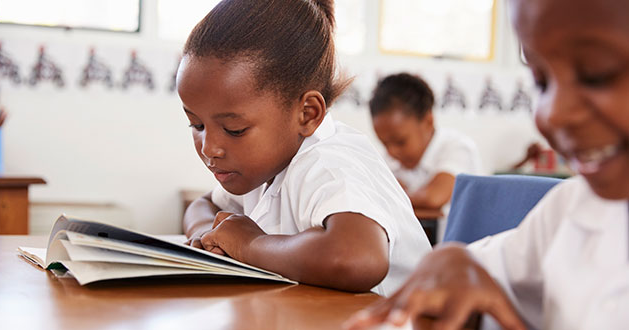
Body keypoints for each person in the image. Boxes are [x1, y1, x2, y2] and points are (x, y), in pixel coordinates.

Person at [345, 0, 629, 328]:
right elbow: (474, 270)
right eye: (541, 81)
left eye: (596, 74)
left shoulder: (455, 147)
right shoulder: (572, 211)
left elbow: (434, 197)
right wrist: (455, 263)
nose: (552, 113)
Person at [178, 0, 431, 295]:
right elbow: (202, 205)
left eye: (235, 130)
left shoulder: (330, 162)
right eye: (197, 125)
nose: (210, 148)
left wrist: (251, 245)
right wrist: (208, 234)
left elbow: (357, 258)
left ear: (307, 113)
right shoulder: (258, 169)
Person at [369, 73, 482, 242]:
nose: (391, 151)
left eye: (400, 142)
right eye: (384, 144)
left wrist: (395, 193)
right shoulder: (389, 160)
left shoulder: (457, 148)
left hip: (459, 254)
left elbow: (434, 197)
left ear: (428, 121)